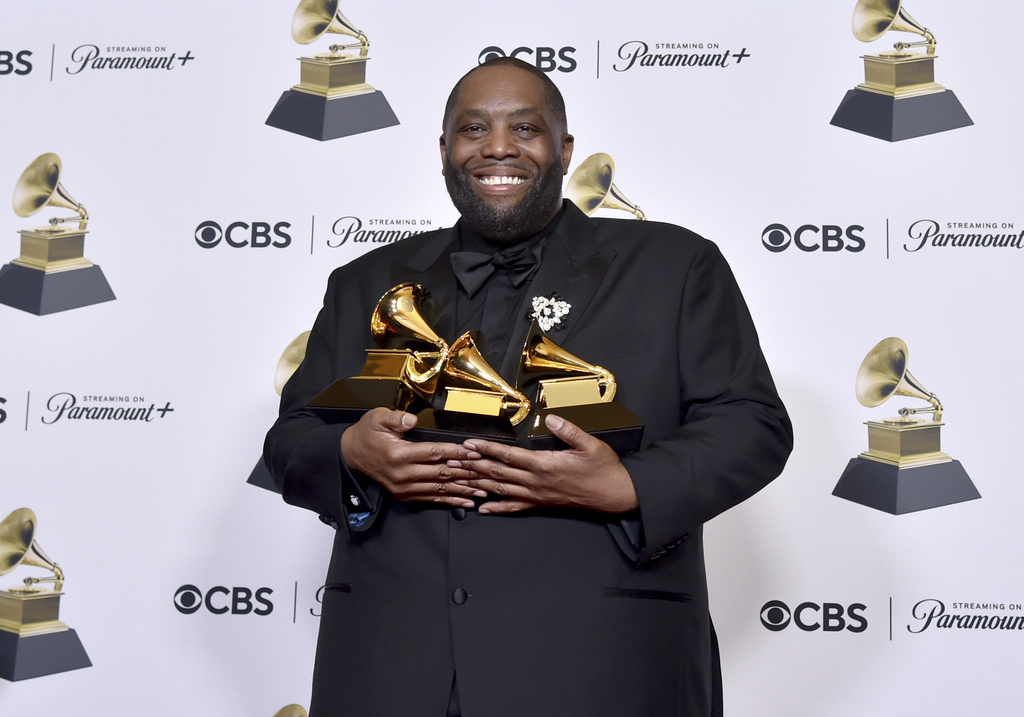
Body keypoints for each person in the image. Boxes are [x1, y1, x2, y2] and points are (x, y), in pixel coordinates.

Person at [264, 57, 792, 717]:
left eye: (525, 127)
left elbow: (753, 424)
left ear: (564, 149)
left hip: (603, 668)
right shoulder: (363, 281)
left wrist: (627, 485)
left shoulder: (676, 265)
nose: (498, 147)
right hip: (392, 671)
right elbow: (290, 443)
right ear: (445, 151)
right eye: (473, 129)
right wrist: (351, 452)